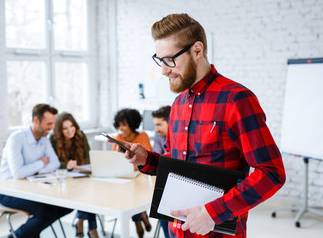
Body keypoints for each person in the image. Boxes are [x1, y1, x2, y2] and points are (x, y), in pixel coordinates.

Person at [115, 14, 286, 238]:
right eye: (160, 60)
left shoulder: (237, 99)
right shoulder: (178, 103)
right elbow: (178, 166)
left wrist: (213, 213)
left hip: (218, 233)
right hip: (176, 229)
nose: (164, 71)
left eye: (170, 60)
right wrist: (146, 160)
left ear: (197, 50)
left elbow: (272, 173)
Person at [0, 104, 72, 238]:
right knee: (46, 212)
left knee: (67, 205)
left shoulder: (44, 139)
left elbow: (54, 163)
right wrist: (41, 162)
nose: (51, 128)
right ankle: (16, 236)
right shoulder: (16, 139)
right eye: (48, 123)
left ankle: (30, 233)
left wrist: (35, 170)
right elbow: (18, 173)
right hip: (8, 191)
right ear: (36, 121)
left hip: (31, 188)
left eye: (53, 123)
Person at [50, 112, 99, 238]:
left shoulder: (80, 135)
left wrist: (79, 164)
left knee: (88, 192)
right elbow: (53, 163)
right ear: (59, 130)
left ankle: (83, 223)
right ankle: (90, 228)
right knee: (85, 193)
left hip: (81, 175)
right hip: (63, 179)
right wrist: (66, 165)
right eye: (65, 128)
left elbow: (88, 158)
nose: (70, 131)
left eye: (71, 126)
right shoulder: (53, 139)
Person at [112, 108, 152, 238]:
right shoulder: (118, 138)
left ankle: (138, 223)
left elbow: (146, 161)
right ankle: (141, 218)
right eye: (118, 125)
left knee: (132, 195)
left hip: (141, 178)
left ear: (132, 124)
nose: (121, 128)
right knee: (126, 195)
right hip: (125, 178)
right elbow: (114, 160)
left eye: (124, 124)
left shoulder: (143, 136)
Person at [151, 106, 171, 238]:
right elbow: (157, 157)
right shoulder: (158, 135)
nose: (156, 129)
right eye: (155, 125)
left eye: (159, 125)